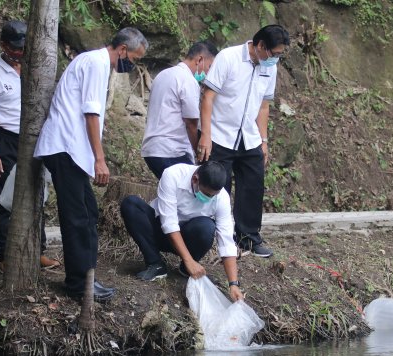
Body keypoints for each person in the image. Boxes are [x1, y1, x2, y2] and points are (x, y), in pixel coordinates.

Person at [34, 27, 148, 302]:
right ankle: (77, 284)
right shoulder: (97, 64)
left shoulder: (93, 62)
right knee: (77, 218)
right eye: (133, 59)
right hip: (64, 148)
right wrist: (99, 159)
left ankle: (87, 278)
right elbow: (91, 114)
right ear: (122, 50)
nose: (131, 65)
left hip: (69, 150)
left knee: (88, 214)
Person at [198, 25, 290, 259]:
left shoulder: (270, 67)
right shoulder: (228, 58)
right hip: (220, 134)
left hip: (249, 137)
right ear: (260, 46)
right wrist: (205, 135)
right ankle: (216, 236)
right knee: (219, 187)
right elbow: (208, 96)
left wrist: (264, 139)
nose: (276, 58)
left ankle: (248, 237)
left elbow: (264, 105)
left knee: (253, 184)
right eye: (274, 53)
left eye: (280, 54)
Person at [0, 20, 59, 273]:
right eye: (15, 48)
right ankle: (4, 255)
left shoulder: (34, 68)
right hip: (6, 139)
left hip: (33, 138)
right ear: (3, 45)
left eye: (23, 47)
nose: (20, 52)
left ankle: (38, 251)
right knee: (2, 200)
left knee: (36, 193)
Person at [120, 161, 244, 302]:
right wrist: (188, 260)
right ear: (195, 179)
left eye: (213, 196)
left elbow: (226, 241)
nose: (209, 199)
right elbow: (169, 224)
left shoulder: (221, 197)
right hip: (160, 231)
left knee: (207, 227)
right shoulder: (173, 175)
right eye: (207, 194)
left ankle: (186, 269)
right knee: (131, 204)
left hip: (190, 237)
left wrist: (233, 284)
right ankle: (155, 264)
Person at [141, 41, 218, 179]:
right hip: (171, 150)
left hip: (152, 148)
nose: (208, 73)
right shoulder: (188, 80)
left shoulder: (163, 74)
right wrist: (199, 153)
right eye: (209, 67)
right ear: (200, 59)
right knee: (187, 193)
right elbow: (191, 123)